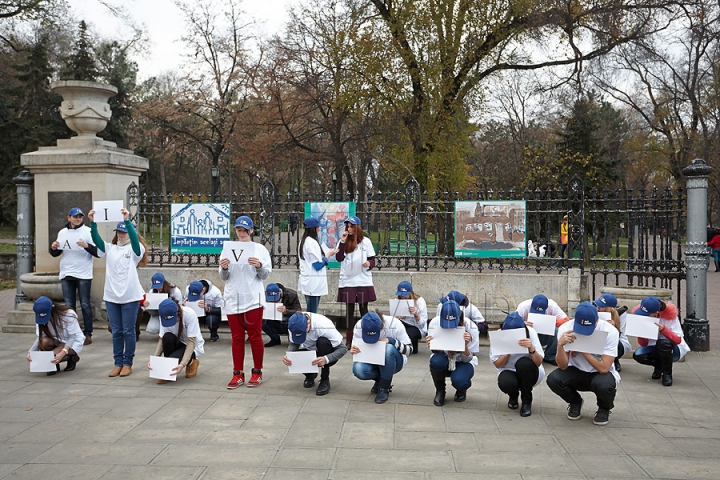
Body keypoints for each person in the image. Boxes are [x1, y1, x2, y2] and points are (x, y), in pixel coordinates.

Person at [89, 207, 148, 377]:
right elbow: (97, 241)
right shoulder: (111, 248)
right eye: (119, 232)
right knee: (117, 331)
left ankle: (128, 363)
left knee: (129, 331)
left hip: (130, 296)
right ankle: (118, 362)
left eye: (124, 232)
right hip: (112, 296)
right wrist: (93, 223)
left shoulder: (135, 250)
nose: (121, 235)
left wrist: (127, 221)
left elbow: (137, 245)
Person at [546, 301, 620, 426]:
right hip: (575, 369)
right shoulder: (566, 328)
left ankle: (604, 408)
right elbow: (562, 366)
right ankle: (575, 402)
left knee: (605, 386)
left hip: (598, 374)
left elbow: (604, 368)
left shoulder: (610, 331)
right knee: (554, 379)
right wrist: (560, 346)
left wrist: (582, 349)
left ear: (597, 320)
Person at [219, 216, 272, 389]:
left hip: (252, 298)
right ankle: (237, 373)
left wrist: (258, 266)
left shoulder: (259, 249)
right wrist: (224, 267)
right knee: (236, 337)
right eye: (238, 230)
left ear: (251, 230)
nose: (241, 233)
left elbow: (264, 275)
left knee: (255, 336)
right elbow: (223, 277)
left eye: (244, 230)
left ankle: (257, 372)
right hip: (233, 298)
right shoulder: (229, 248)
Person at [49, 207, 98, 345]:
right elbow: (56, 252)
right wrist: (53, 248)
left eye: (80, 217)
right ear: (68, 217)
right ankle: (72, 333)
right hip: (66, 272)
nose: (78, 219)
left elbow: (97, 252)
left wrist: (86, 245)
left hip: (83, 273)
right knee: (69, 305)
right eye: (75, 216)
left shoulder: (88, 231)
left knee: (85, 304)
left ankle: (87, 333)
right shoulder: (62, 232)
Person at [350, 311, 413, 403]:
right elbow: (356, 347)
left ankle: (384, 388)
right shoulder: (359, 325)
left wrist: (391, 341)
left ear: (382, 326)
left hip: (394, 362)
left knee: (388, 349)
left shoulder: (395, 323)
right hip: (371, 361)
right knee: (358, 369)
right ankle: (382, 380)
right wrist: (354, 351)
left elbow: (409, 350)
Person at [490, 312, 544, 417]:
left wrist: (531, 348)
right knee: (506, 382)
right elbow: (497, 364)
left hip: (529, 371)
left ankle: (526, 401)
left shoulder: (531, 333)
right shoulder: (498, 335)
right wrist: (506, 354)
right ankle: (513, 395)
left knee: (523, 363)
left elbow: (538, 362)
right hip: (508, 369)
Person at [427, 300, 480, 406]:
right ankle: (440, 391)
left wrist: (464, 345)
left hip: (463, 362)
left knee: (460, 380)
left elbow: (468, 359)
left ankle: (462, 389)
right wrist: (432, 344)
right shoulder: (435, 323)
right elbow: (436, 352)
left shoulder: (471, 327)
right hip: (444, 358)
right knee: (436, 361)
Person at [283, 312, 348, 396]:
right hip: (309, 351)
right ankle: (310, 375)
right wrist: (289, 355)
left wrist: (326, 359)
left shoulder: (323, 326)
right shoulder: (293, 325)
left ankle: (324, 379)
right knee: (294, 357)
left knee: (322, 341)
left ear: (308, 322)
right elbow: (294, 343)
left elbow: (343, 349)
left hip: (326, 351)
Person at [336, 216, 377, 347]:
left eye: (352, 226)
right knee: (349, 311)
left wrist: (368, 264)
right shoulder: (343, 241)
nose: (349, 229)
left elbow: (373, 260)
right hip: (348, 281)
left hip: (363, 280)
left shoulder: (366, 242)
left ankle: (366, 335)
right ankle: (349, 340)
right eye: (347, 226)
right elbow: (338, 258)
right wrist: (342, 242)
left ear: (357, 227)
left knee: (364, 309)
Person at [631, 296, 689, 387]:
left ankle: (667, 373)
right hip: (654, 348)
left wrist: (664, 330)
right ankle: (659, 366)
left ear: (656, 312)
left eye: (648, 313)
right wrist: (642, 332)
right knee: (638, 355)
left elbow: (678, 340)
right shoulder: (642, 317)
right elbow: (643, 344)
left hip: (672, 348)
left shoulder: (670, 317)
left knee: (663, 343)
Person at [149, 298, 204, 384]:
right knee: (167, 337)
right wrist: (154, 360)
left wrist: (182, 364)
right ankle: (168, 369)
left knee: (176, 357)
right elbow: (162, 339)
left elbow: (191, 342)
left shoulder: (189, 314)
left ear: (178, 312)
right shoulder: (163, 315)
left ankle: (192, 361)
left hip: (191, 346)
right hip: (177, 342)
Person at [27, 296, 85, 375]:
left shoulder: (68, 314)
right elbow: (41, 337)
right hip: (56, 340)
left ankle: (71, 358)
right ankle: (54, 364)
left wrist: (63, 352)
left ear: (52, 308)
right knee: (43, 342)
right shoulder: (39, 317)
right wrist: (31, 352)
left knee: (52, 356)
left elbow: (72, 337)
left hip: (72, 341)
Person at [297, 217, 337, 313]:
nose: (319, 229)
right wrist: (328, 255)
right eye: (318, 227)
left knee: (310, 310)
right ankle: (310, 328)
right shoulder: (311, 243)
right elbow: (317, 266)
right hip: (313, 282)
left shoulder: (303, 242)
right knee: (312, 312)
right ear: (313, 229)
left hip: (308, 281)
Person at [516, 294, 569, 365]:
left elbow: (566, 321)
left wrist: (551, 321)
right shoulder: (523, 307)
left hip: (544, 336)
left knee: (557, 330)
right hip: (528, 335)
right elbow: (511, 323)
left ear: (546, 308)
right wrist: (522, 324)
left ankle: (549, 356)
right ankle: (526, 355)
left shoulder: (552, 306)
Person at [593, 293, 631, 372]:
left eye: (601, 306)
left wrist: (612, 328)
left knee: (612, 339)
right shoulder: (594, 311)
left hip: (619, 342)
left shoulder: (621, 313)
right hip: (598, 338)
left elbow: (620, 333)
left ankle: (615, 361)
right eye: (598, 305)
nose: (598, 307)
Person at [263, 282, 302, 347]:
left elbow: (298, 312)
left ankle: (291, 340)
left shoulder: (291, 294)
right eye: (271, 300)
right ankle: (275, 338)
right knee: (261, 321)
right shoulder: (264, 295)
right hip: (273, 321)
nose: (273, 301)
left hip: (287, 321)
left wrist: (286, 311)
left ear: (280, 292)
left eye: (275, 299)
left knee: (296, 319)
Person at [393, 281, 427, 354]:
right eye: (401, 296)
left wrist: (416, 315)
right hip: (403, 323)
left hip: (416, 327)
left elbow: (422, 325)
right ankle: (401, 347)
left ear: (411, 293)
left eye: (405, 295)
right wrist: (398, 318)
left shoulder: (420, 301)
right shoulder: (397, 301)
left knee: (408, 335)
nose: (403, 298)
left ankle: (410, 345)